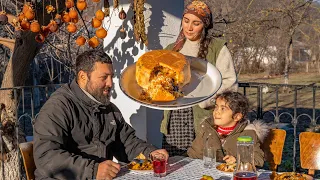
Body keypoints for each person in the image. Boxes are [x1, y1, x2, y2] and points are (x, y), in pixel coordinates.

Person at [33, 50, 168, 180]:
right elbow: (46, 156)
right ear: (83, 76)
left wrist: (149, 153)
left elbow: (127, 142)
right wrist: (93, 170)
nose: (110, 83)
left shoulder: (108, 108)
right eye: (104, 78)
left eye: (111, 77)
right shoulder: (59, 106)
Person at [161, 0, 238, 156]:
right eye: (186, 21)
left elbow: (230, 84)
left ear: (205, 25)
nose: (189, 27)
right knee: (176, 165)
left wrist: (206, 100)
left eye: (196, 23)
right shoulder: (171, 49)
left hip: (203, 119)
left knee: (203, 164)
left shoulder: (217, 48)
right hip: (175, 119)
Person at [187, 91, 269, 167]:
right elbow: (193, 154)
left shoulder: (247, 133)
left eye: (223, 108)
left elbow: (258, 159)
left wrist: (238, 161)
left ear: (237, 116)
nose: (216, 112)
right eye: (216, 107)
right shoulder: (207, 128)